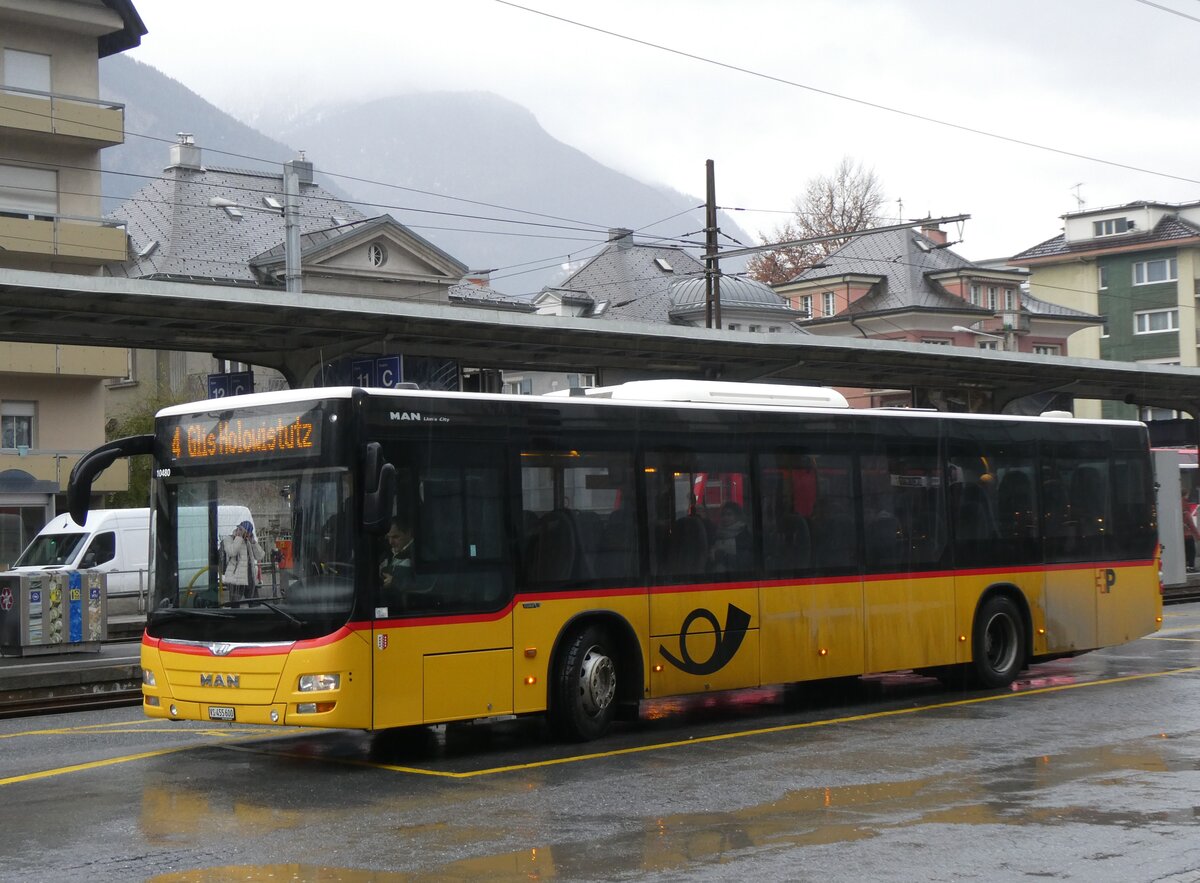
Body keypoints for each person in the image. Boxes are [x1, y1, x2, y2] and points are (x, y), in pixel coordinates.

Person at [221, 520, 264, 601]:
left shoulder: (248, 541)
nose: (239, 531)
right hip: (235, 579)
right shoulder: (229, 539)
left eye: (242, 530)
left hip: (249, 577)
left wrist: (253, 542)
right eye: (239, 529)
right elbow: (232, 552)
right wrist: (239, 537)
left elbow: (260, 556)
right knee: (235, 604)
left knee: (254, 604)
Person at [379, 517, 415, 591]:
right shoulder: (388, 553)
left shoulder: (418, 555)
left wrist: (395, 582)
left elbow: (425, 583)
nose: (390, 542)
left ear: (408, 533)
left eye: (395, 537)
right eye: (388, 537)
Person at [1182, 489, 1200, 573]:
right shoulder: (1185, 509)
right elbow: (1192, 525)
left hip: (1181, 535)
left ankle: (1186, 566)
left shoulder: (1178, 506)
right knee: (1191, 551)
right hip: (1188, 535)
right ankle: (1191, 567)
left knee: (1185, 551)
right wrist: (1197, 535)